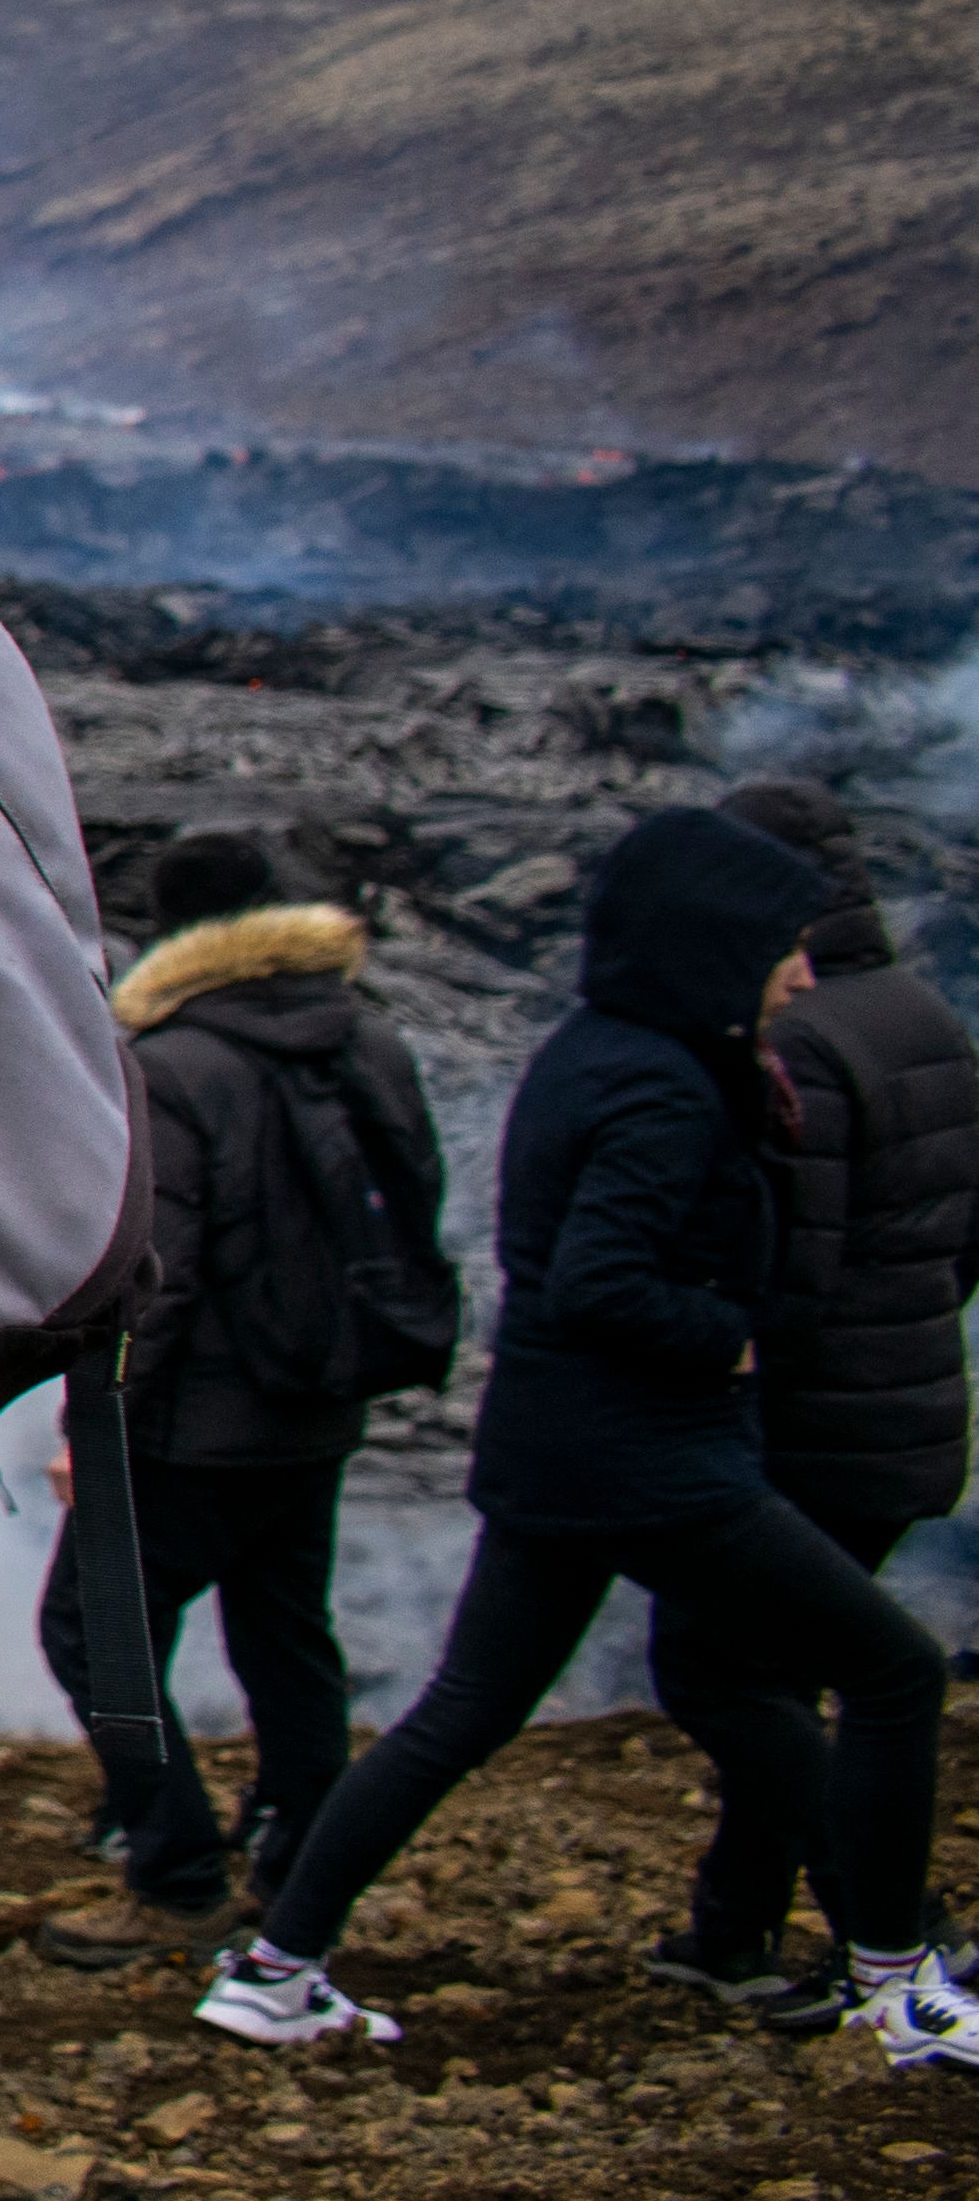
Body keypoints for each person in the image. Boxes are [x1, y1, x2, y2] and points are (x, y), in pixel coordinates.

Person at [195, 808, 976, 2066]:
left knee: (461, 1710)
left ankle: (277, 1969)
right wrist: (731, 1332)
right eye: (782, 945)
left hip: (560, 1451)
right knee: (890, 1671)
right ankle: (899, 1982)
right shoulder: (663, 1085)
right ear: (712, 946)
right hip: (650, 1460)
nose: (800, 968)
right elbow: (596, 1280)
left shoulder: (600, 1048)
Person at [34, 830, 441, 1969]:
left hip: (188, 1427)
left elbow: (157, 1268)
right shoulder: (368, 1038)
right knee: (285, 1636)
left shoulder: (174, 1060)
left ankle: (172, 1874)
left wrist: (93, 1418)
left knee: (92, 1632)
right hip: (316, 1408)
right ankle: (303, 1855)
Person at [644, 779, 977, 2013]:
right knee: (775, 1673)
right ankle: (731, 1933)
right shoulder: (917, 1012)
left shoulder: (802, 1044)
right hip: (910, 1411)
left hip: (814, 1430)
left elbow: (795, 1266)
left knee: (719, 1670)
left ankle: (889, 1929)